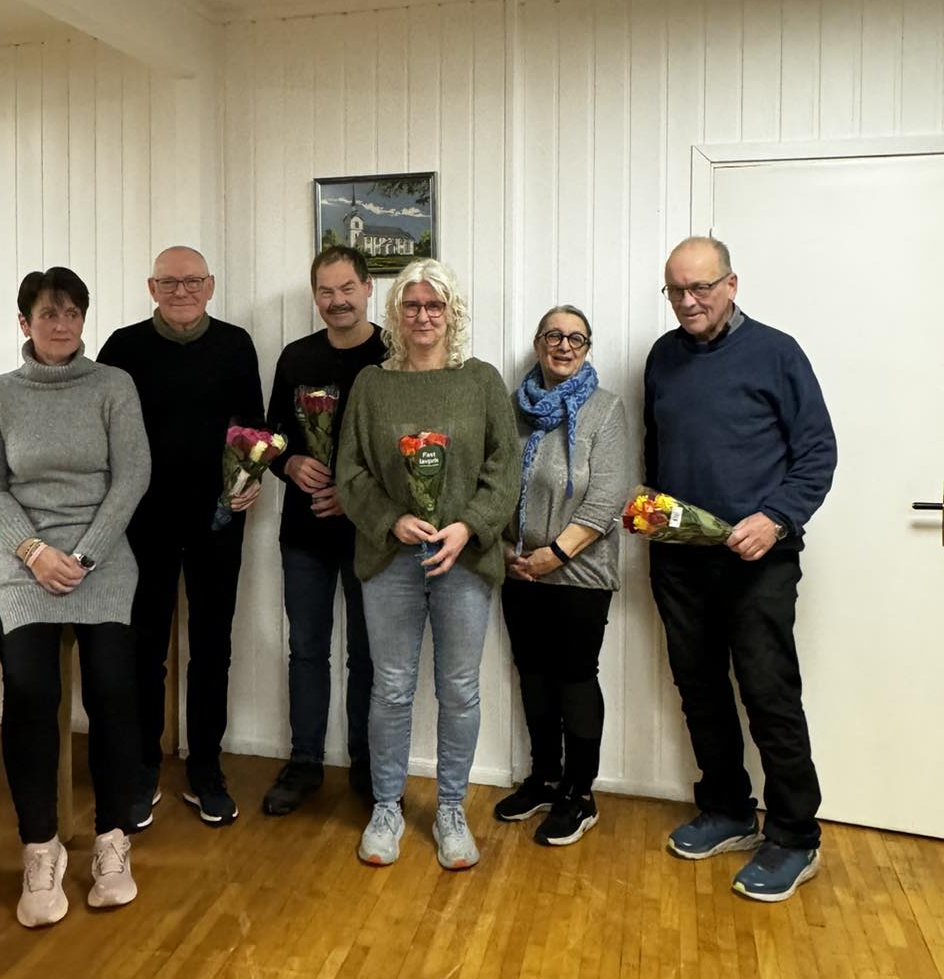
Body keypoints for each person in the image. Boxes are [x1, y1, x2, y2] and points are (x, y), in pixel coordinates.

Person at [645, 235, 837, 902]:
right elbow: (658, 447)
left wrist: (776, 517)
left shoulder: (777, 352)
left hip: (759, 560)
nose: (689, 302)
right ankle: (727, 810)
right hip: (678, 560)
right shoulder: (663, 358)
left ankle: (794, 836)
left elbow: (818, 454)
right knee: (698, 687)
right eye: (676, 290)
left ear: (731, 284)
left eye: (701, 287)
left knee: (767, 692)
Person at [0, 266, 151, 928]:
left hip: (100, 559)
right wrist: (35, 552)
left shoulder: (114, 387)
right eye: (49, 314)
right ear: (24, 323)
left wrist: (83, 555)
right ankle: (40, 848)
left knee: (112, 689)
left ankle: (111, 842)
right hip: (24, 564)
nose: (62, 325)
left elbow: (132, 476)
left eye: (73, 313)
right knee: (31, 691)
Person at [337, 259, 519, 871]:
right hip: (390, 558)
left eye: (434, 305)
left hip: (464, 560)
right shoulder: (371, 385)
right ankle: (386, 807)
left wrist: (468, 526)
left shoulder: (481, 381)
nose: (423, 316)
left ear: (451, 312)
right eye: (411, 305)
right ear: (395, 314)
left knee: (460, 689)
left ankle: (448, 810)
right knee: (390, 687)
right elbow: (351, 470)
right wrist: (391, 517)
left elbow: (505, 468)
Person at [97, 245, 264, 829]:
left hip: (219, 518)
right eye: (169, 282)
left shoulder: (236, 344)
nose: (182, 291)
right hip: (141, 523)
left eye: (193, 281)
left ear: (211, 285)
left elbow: (254, 430)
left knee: (212, 646)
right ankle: (144, 766)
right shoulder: (121, 348)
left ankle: (206, 769)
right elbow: (99, 428)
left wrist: (253, 481)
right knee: (145, 648)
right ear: (151, 287)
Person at [497, 305, 628, 846]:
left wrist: (554, 552)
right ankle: (545, 777)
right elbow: (495, 481)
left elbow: (607, 498)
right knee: (532, 675)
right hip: (517, 571)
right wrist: (506, 549)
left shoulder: (605, 409)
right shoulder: (513, 408)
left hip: (580, 574)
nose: (565, 345)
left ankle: (580, 792)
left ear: (588, 347)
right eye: (554, 335)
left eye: (577, 337)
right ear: (537, 342)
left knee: (574, 677)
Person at [261, 246, 385, 815]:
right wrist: (287, 465)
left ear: (367, 288)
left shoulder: (395, 354)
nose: (337, 301)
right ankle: (305, 761)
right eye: (326, 292)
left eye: (347, 289)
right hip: (304, 531)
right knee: (306, 649)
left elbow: (410, 449)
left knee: (369, 654)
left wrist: (356, 492)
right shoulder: (296, 356)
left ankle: (367, 765)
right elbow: (272, 436)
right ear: (315, 296)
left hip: (373, 535)